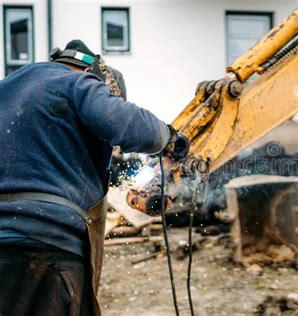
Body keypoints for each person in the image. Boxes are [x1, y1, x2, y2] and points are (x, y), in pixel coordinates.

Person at [0, 40, 174, 315]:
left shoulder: (8, 88)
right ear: (91, 73)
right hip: (48, 252)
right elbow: (141, 131)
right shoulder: (77, 83)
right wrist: (170, 136)